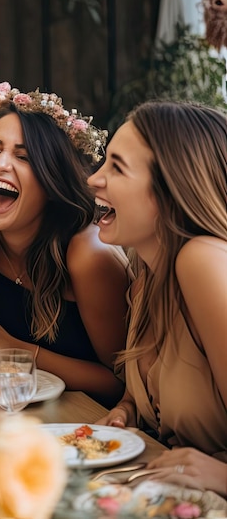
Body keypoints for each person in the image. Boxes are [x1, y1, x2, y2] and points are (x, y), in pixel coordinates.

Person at [0, 83, 129, 407]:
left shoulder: (87, 255)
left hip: (87, 429)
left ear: (52, 180)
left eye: (23, 157)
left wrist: (14, 351)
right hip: (4, 420)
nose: (0, 164)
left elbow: (121, 384)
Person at [89, 100, 227, 496]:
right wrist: (127, 410)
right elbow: (159, 383)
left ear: (171, 187)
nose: (93, 180)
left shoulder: (202, 262)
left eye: (117, 167)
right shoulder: (146, 279)